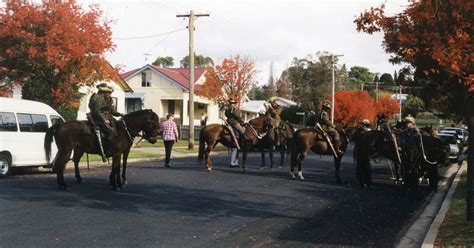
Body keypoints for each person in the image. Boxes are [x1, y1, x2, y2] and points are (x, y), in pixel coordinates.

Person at [88, 83, 124, 155]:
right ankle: (106, 149)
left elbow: (112, 111)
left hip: (107, 117)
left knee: (119, 126)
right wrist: (104, 120)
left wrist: (120, 114)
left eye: (110, 92)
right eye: (109, 92)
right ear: (104, 92)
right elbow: (97, 111)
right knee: (111, 131)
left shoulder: (109, 99)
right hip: (97, 118)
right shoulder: (98, 98)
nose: (110, 94)